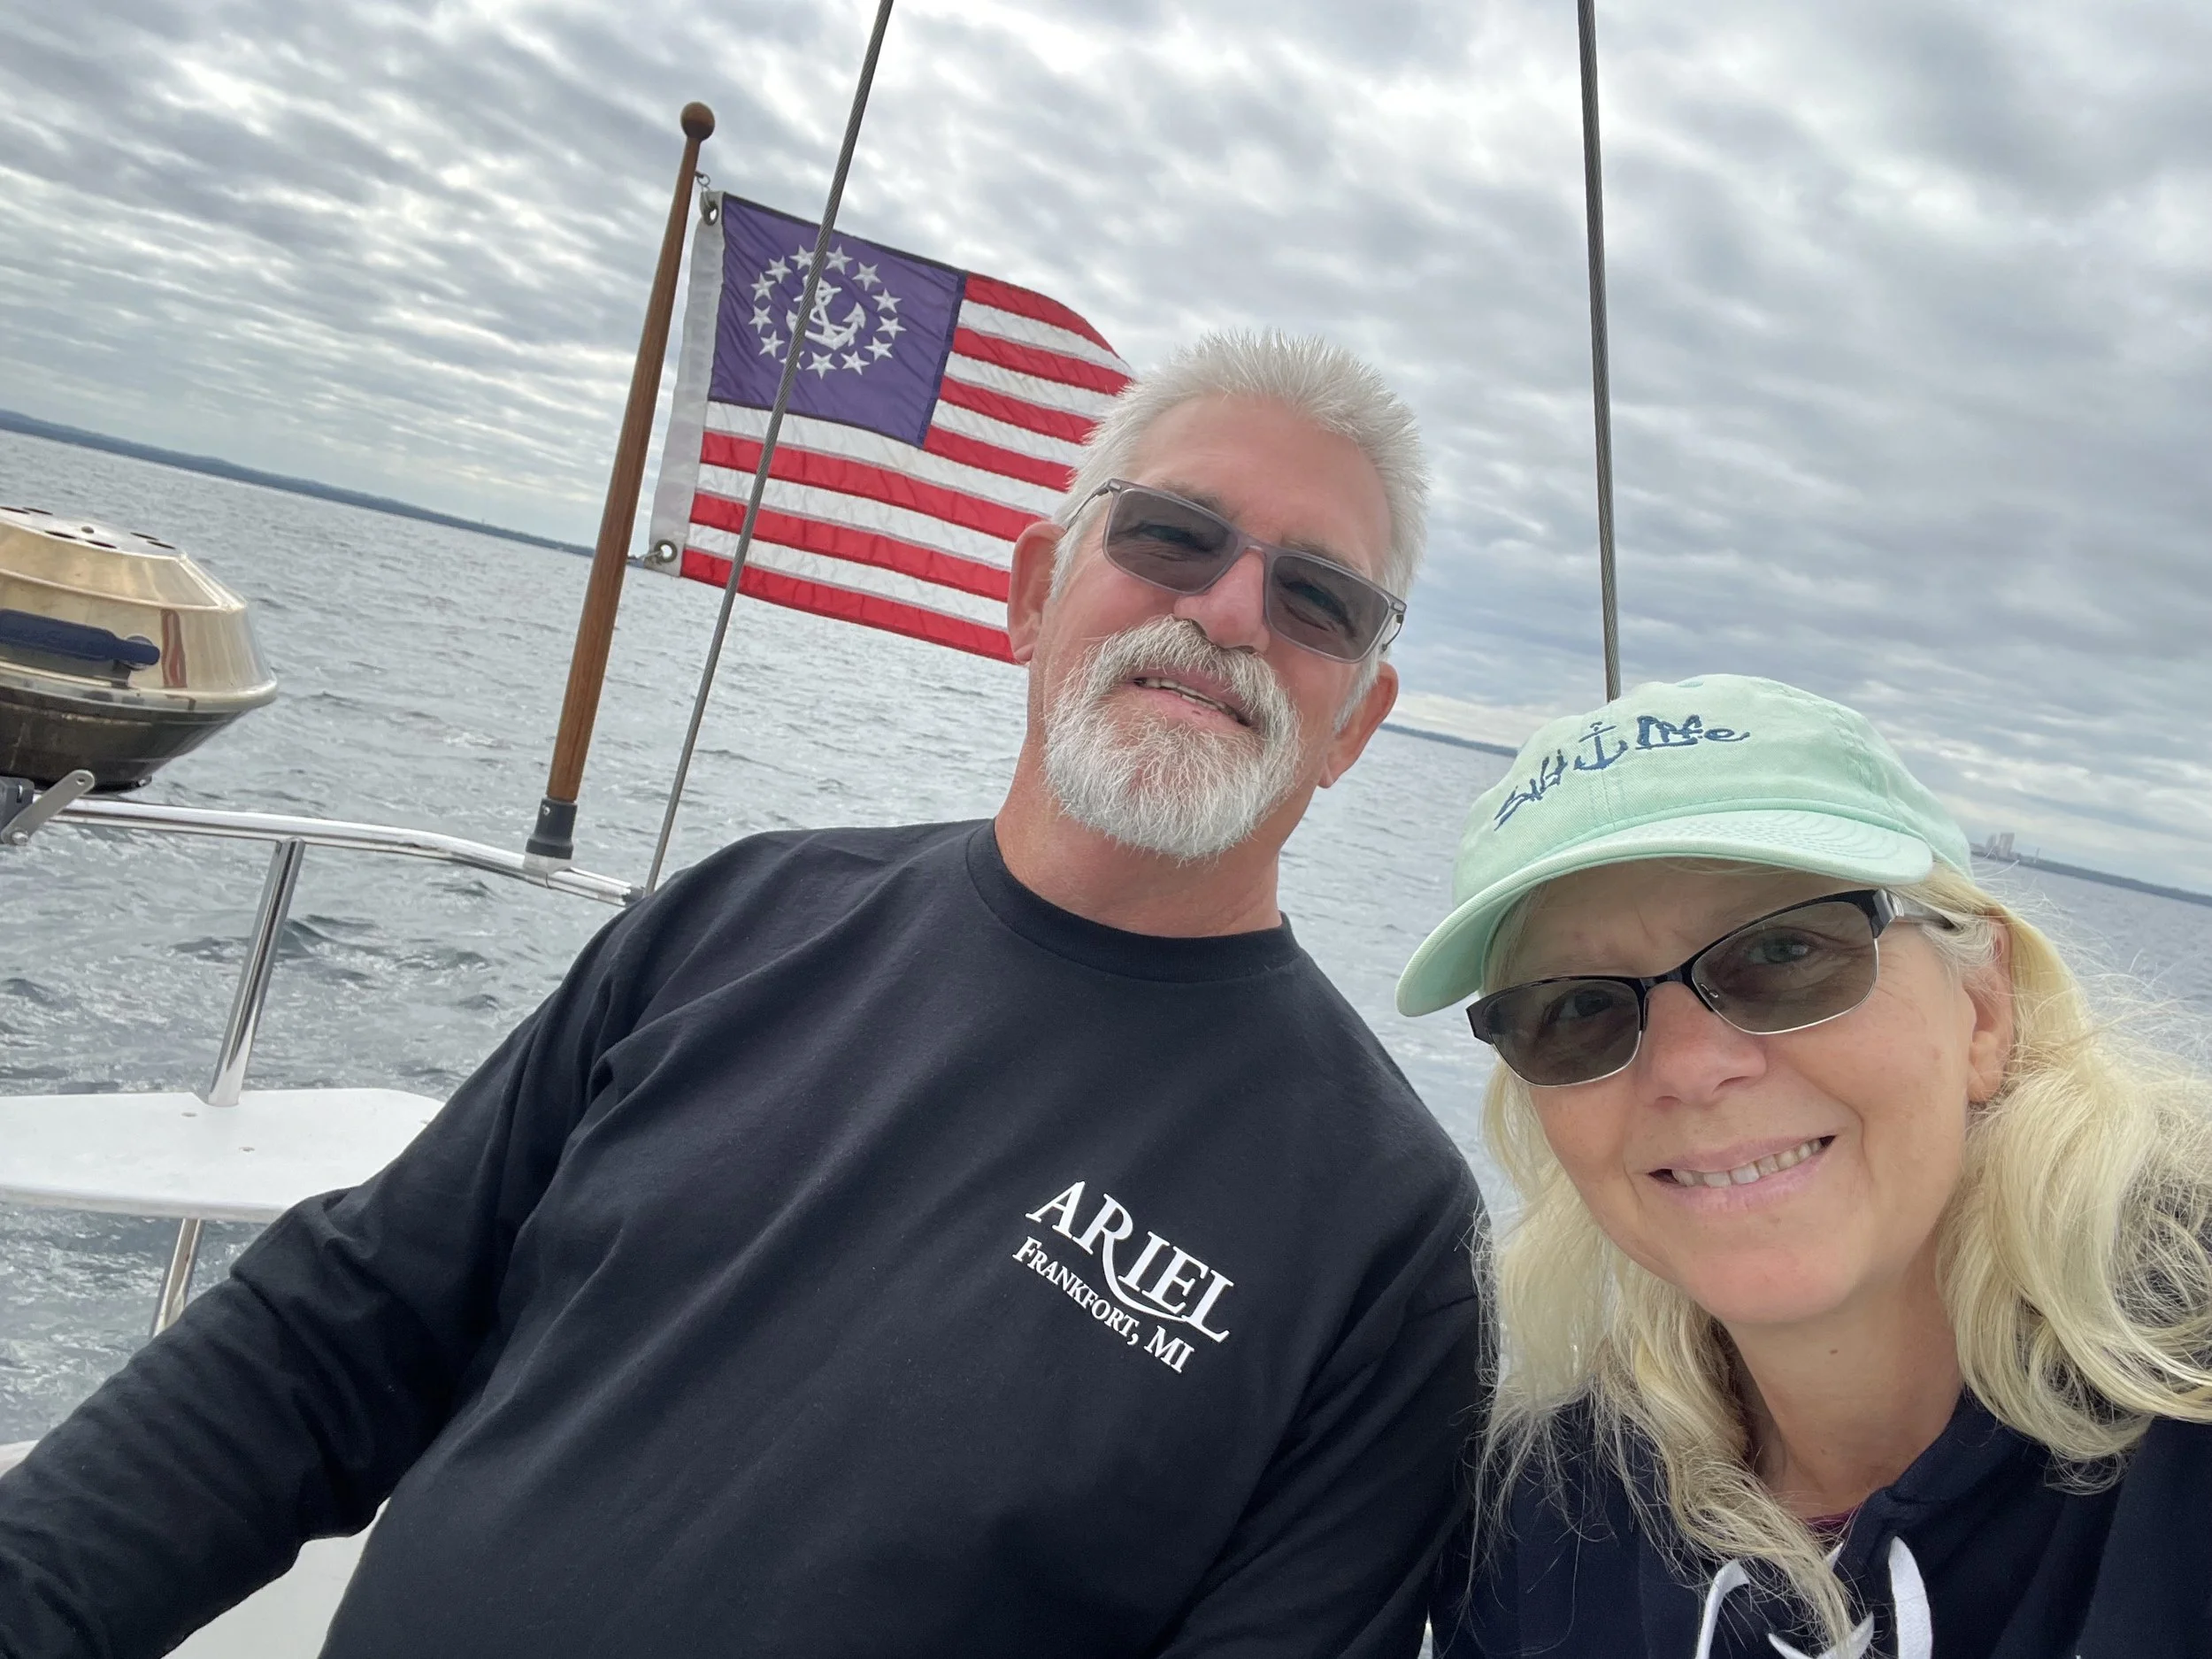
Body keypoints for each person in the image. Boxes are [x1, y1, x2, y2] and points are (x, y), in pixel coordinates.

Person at [0, 333, 1485, 1658]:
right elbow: (339, 1333)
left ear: (1354, 723)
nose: (1231, 609)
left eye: (1320, 597)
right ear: (1034, 591)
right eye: (1173, 532)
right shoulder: (742, 913)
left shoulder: (1385, 1231)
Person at [1395, 673, 2212, 1659]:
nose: (1690, 1068)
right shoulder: (1552, 1522)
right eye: (1576, 1009)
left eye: (1784, 952)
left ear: (1984, 1008)